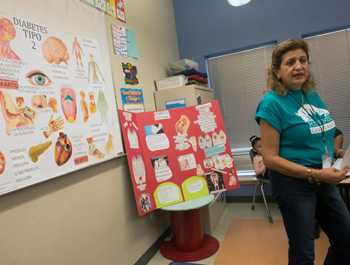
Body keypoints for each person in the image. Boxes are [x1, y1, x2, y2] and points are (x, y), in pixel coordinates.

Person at [255, 39, 350, 264]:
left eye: (303, 60)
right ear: (277, 71)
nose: (299, 66)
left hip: (323, 176)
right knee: (303, 252)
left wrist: (339, 154)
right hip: (293, 184)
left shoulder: (310, 94)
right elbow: (269, 158)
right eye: (290, 62)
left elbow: (321, 136)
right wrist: (316, 175)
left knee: (346, 242)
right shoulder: (271, 103)